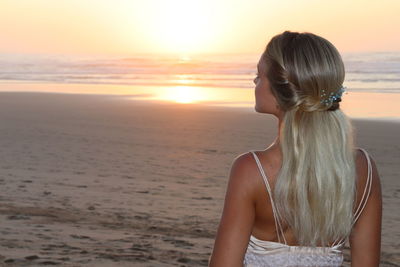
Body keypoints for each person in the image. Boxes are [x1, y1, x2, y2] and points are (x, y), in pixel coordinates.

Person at [209, 31, 382, 267]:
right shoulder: (364, 168)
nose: (254, 82)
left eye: (259, 75)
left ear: (283, 91)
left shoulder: (252, 170)